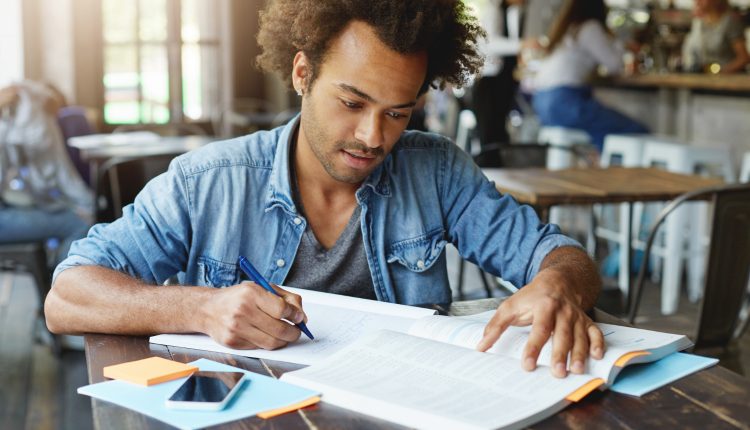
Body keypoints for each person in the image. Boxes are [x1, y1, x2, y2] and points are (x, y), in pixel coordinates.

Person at [45, 0, 604, 378]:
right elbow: (67, 297)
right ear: (302, 74)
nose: (372, 136)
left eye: (397, 113)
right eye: (353, 103)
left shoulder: (437, 172)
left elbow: (561, 256)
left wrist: (558, 283)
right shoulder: (208, 181)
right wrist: (201, 306)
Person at [531, 0, 648, 151]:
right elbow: (614, 65)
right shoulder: (589, 27)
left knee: (602, 127)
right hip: (563, 102)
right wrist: (622, 45)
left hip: (542, 103)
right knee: (635, 130)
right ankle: (612, 171)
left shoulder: (566, 29)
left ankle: (598, 165)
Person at [0, 81, 93, 265]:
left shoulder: (10, 128)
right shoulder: (13, 129)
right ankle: (62, 285)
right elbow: (58, 176)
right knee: (79, 224)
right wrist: (88, 207)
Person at [682, 0, 750, 74]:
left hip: (728, 79)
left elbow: (744, 58)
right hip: (705, 78)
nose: (697, 1)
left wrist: (721, 72)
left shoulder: (730, 22)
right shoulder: (698, 23)